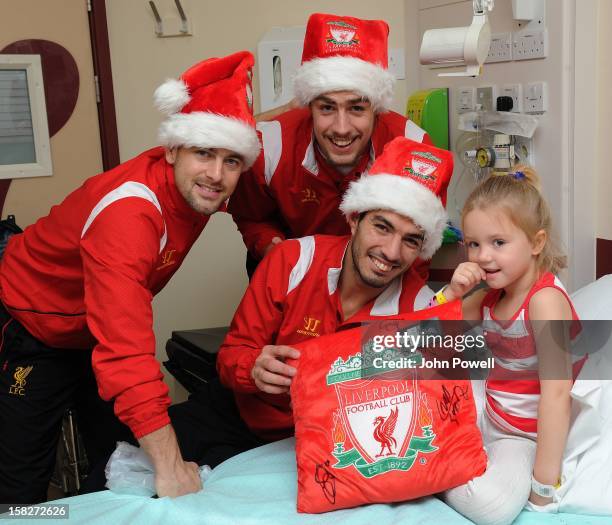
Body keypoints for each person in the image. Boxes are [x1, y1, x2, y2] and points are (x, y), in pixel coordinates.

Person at [0, 51, 260, 503]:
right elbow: (125, 348)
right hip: (31, 324)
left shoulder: (201, 186)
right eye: (204, 153)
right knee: (19, 491)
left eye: (232, 160)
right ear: (173, 149)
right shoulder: (130, 214)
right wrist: (172, 468)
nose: (217, 175)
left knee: (116, 462)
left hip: (90, 329)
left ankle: (86, 514)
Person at [168, 136, 453, 466]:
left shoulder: (424, 308)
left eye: (411, 241)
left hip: (331, 447)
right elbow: (232, 356)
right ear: (354, 219)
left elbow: (455, 398)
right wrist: (254, 369)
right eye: (382, 227)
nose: (391, 252)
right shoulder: (292, 260)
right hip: (241, 420)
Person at [227, 13, 434, 277]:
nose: (341, 128)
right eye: (326, 107)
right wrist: (271, 246)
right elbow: (252, 216)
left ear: (377, 109)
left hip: (383, 277)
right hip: (293, 272)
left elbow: (419, 244)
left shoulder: (415, 150)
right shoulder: (269, 146)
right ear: (309, 106)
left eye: (357, 108)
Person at [434, 167, 586, 525]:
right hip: (487, 412)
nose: (483, 257)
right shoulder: (489, 296)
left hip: (521, 434)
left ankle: (428, 476)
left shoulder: (544, 301)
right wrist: (452, 293)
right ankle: (422, 463)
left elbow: (557, 394)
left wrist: (543, 486)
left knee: (491, 509)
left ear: (536, 243)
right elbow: (429, 333)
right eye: (474, 244)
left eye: (498, 243)